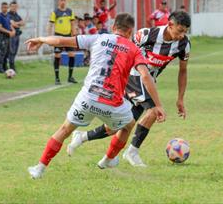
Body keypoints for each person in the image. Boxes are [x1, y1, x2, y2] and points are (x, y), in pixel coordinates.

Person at [25, 13, 166, 179]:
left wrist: (41, 39)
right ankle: (108, 159)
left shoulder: (98, 38)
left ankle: (39, 169)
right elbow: (145, 76)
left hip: (88, 98)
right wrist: (157, 105)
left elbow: (61, 41)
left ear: (113, 27)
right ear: (130, 32)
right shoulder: (133, 48)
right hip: (112, 104)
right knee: (128, 126)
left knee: (64, 130)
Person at [68, 11, 191, 167]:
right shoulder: (145, 35)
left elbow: (183, 71)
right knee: (154, 110)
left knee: (125, 124)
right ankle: (132, 151)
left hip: (148, 82)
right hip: (132, 76)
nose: (182, 35)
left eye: (185, 32)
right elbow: (123, 50)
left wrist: (180, 98)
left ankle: (83, 138)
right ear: (170, 24)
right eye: (180, 31)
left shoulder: (184, 45)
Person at [47, 0, 77, 85]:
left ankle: (70, 77)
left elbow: (73, 23)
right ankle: (57, 78)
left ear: (66, 1)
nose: (63, 2)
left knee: (72, 55)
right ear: (58, 1)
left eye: (64, 0)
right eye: (61, 0)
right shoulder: (55, 12)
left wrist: (74, 32)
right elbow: (50, 25)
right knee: (57, 56)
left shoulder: (70, 11)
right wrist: (49, 37)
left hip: (68, 36)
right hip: (58, 37)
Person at [0, 2, 16, 73]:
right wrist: (8, 32)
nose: (5, 9)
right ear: (1, 8)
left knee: (7, 52)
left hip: (8, 37)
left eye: (6, 7)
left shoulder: (8, 16)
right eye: (4, 7)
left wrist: (13, 31)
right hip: (2, 37)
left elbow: (10, 25)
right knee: (2, 52)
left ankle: (5, 67)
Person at [8, 1, 25, 71]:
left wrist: (16, 23)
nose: (14, 8)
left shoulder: (17, 15)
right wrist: (18, 24)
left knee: (15, 51)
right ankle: (11, 67)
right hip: (11, 36)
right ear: (10, 7)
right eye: (12, 6)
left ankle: (12, 66)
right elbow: (13, 24)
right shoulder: (8, 15)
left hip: (17, 35)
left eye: (15, 7)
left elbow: (23, 23)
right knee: (11, 51)